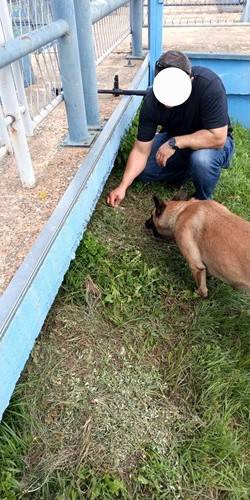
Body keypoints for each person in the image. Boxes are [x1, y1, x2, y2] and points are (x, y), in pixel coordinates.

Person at [107, 50, 234, 207]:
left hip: (211, 144)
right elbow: (141, 150)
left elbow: (218, 137)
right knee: (144, 170)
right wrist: (123, 186)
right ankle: (188, 170)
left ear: (191, 80)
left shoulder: (208, 84)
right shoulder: (151, 101)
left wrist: (175, 142)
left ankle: (202, 199)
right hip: (176, 141)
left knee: (202, 160)